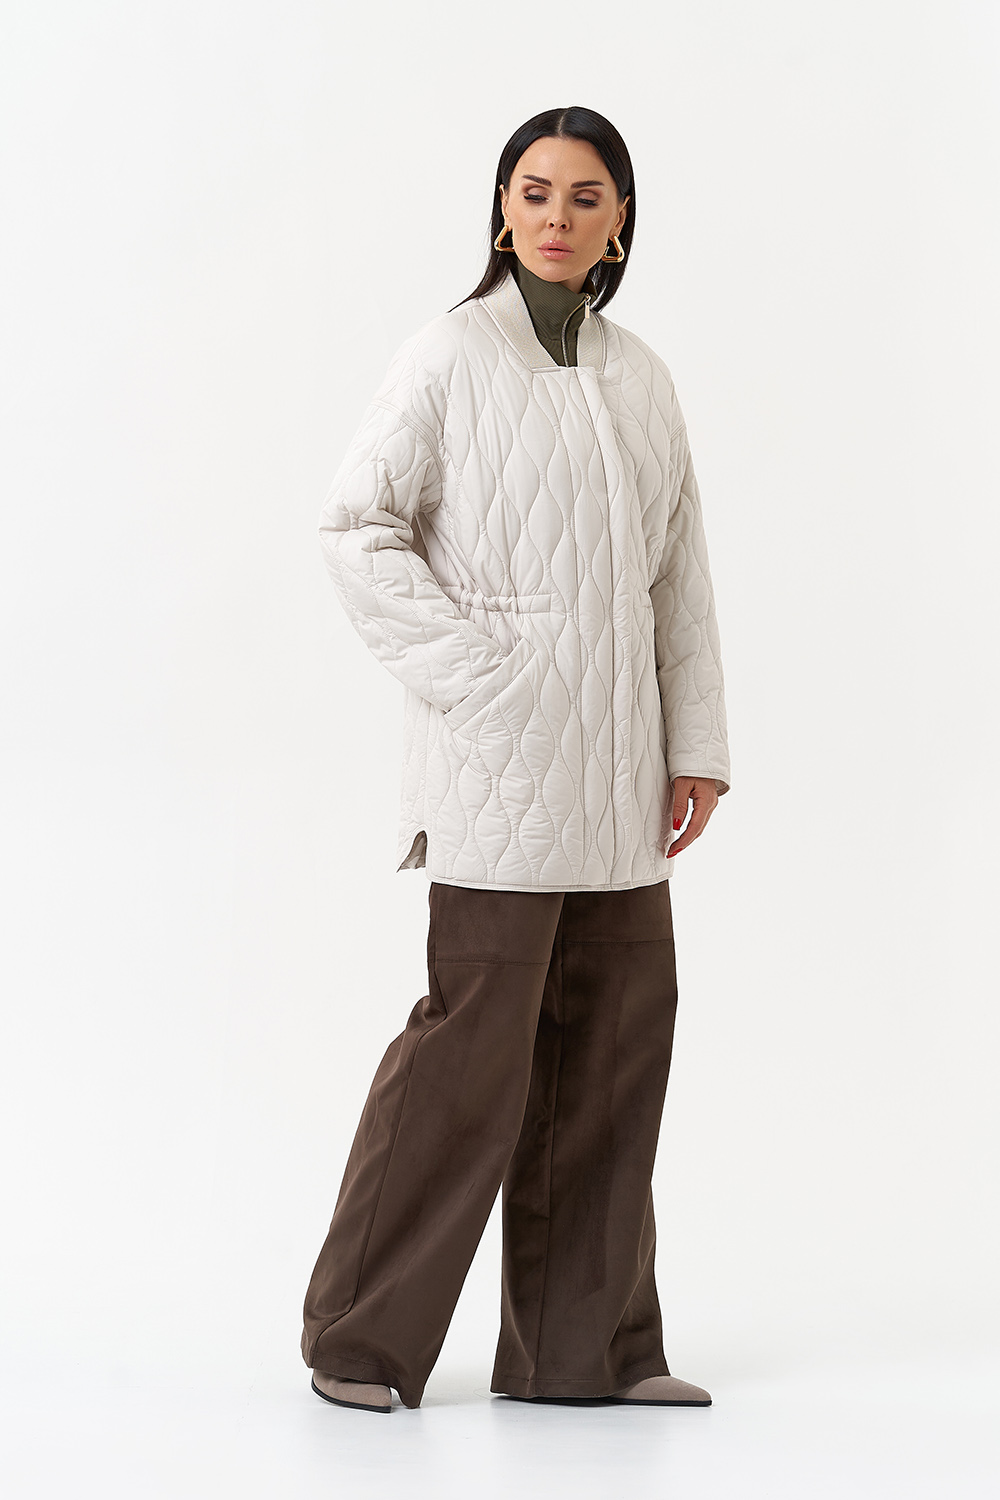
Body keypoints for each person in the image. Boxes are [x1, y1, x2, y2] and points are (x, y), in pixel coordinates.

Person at [300, 105, 731, 1415]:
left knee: (614, 1057)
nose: (556, 216)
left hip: (622, 783)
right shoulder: (447, 355)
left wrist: (697, 746)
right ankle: (358, 1345)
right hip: (501, 773)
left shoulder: (640, 375)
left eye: (584, 196)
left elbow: (678, 574)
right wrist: (484, 677)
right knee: (468, 1060)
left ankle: (581, 1354)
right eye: (534, 192)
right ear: (502, 210)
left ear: (619, 223)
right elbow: (355, 529)